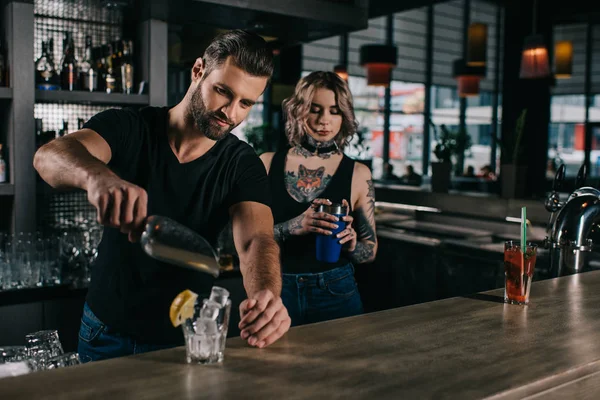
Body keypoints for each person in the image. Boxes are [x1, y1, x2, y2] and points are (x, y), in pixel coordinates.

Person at [33, 30, 290, 362]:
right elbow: (49, 156)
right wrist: (98, 177)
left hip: (187, 338)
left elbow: (257, 240)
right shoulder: (129, 127)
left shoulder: (242, 164)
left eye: (246, 103)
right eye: (223, 91)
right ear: (198, 71)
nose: (231, 112)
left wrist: (266, 295)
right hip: (105, 332)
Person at [259, 71, 378, 326]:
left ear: (344, 116)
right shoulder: (267, 164)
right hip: (277, 287)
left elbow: (370, 251)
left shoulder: (359, 174)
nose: (325, 120)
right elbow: (246, 238)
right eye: (315, 109)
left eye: (334, 111)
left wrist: (352, 244)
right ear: (299, 111)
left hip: (336, 290)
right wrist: (296, 226)